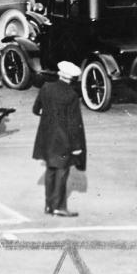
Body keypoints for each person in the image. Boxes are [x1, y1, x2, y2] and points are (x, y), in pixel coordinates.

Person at [32, 61, 87, 217]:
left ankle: (48, 206)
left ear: (59, 74)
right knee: (62, 173)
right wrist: (76, 146)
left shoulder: (46, 88)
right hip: (64, 140)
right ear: (71, 79)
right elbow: (74, 123)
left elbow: (36, 110)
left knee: (50, 171)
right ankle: (59, 207)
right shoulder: (71, 95)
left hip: (47, 138)